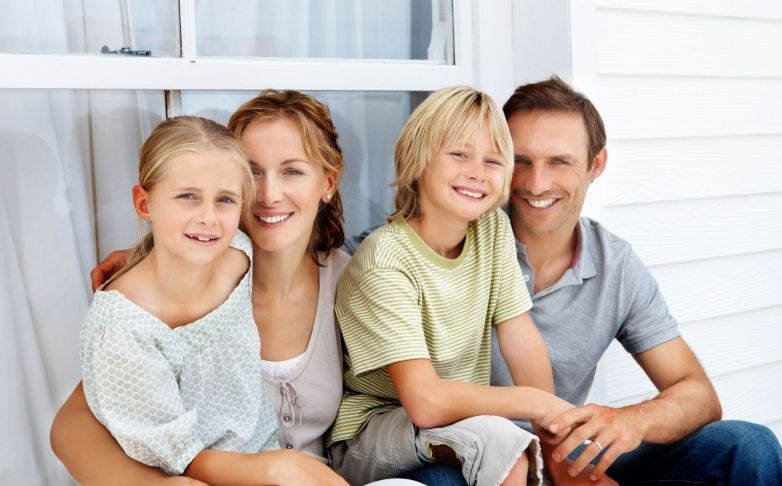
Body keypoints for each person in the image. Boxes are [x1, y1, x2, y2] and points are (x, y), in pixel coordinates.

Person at [491, 76, 782, 485]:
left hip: (568, 457)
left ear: (596, 165)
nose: (535, 183)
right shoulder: (464, 245)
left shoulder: (615, 264)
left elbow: (698, 395)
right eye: (520, 160)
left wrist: (631, 421)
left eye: (558, 162)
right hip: (476, 456)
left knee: (747, 445)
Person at [51, 91, 352, 486]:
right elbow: (73, 426)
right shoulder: (181, 289)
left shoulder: (354, 278)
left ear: (327, 184)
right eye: (252, 171)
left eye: (292, 171)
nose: (267, 194)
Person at [328, 86, 574, 486]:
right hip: (369, 434)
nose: (477, 172)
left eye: (493, 161)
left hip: (455, 423)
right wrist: (537, 403)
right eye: (460, 154)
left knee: (513, 444)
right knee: (504, 444)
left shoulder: (491, 230)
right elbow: (425, 403)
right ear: (418, 160)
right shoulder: (385, 260)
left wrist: (554, 434)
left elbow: (521, 338)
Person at [79, 115, 282, 483]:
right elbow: (178, 457)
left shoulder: (239, 256)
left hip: (266, 458)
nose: (208, 217)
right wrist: (279, 469)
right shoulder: (124, 328)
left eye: (225, 200)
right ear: (144, 203)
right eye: (187, 196)